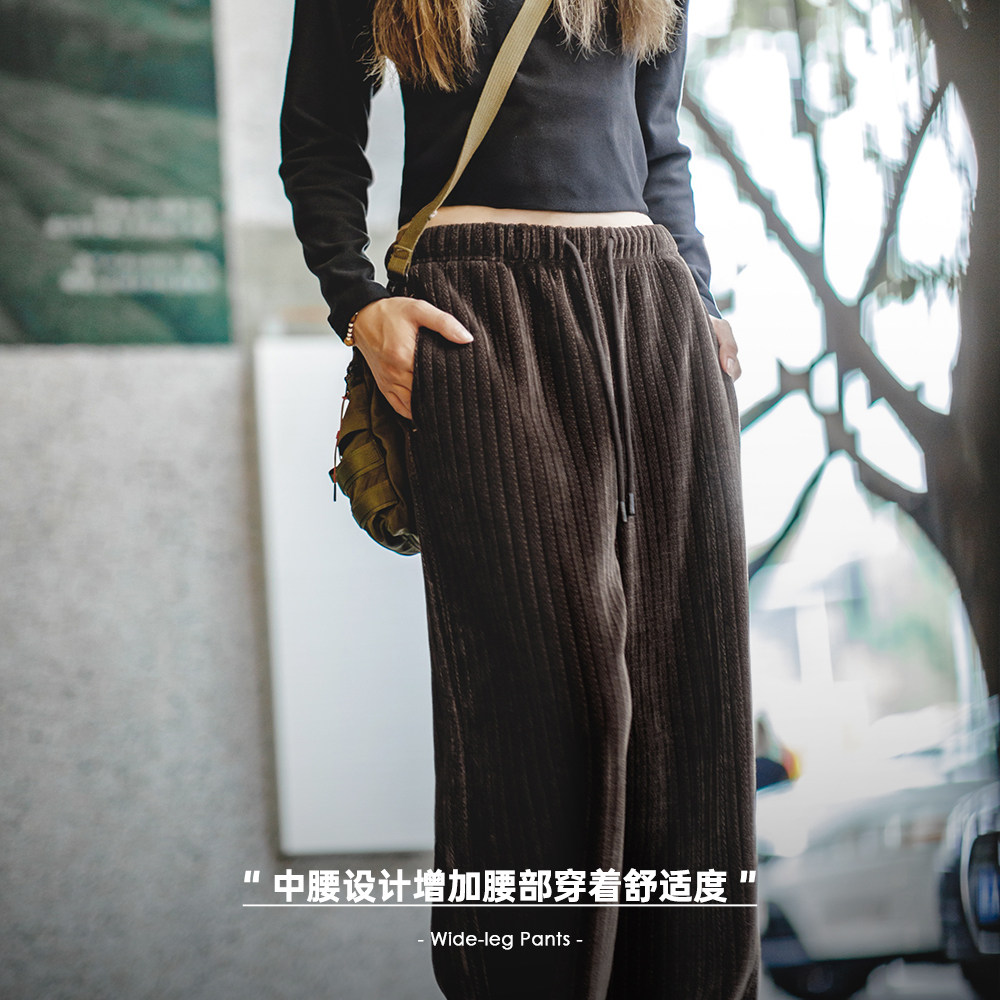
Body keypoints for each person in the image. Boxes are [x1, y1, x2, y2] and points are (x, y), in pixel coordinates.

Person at [279, 1, 760, 997]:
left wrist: (699, 297)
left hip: (654, 306)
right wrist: (359, 306)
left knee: (691, 697)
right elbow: (319, 134)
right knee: (538, 706)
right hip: (480, 313)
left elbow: (660, 141)